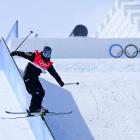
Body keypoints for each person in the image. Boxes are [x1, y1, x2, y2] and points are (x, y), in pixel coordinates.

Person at [10, 46, 64, 113]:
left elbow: (54, 73)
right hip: (28, 77)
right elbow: (24, 54)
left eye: (48, 55)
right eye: (45, 54)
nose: (46, 56)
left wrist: (60, 81)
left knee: (41, 92)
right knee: (36, 93)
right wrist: (15, 53)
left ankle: (38, 107)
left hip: (34, 78)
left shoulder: (48, 64)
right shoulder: (35, 56)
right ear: (42, 53)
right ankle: (33, 109)